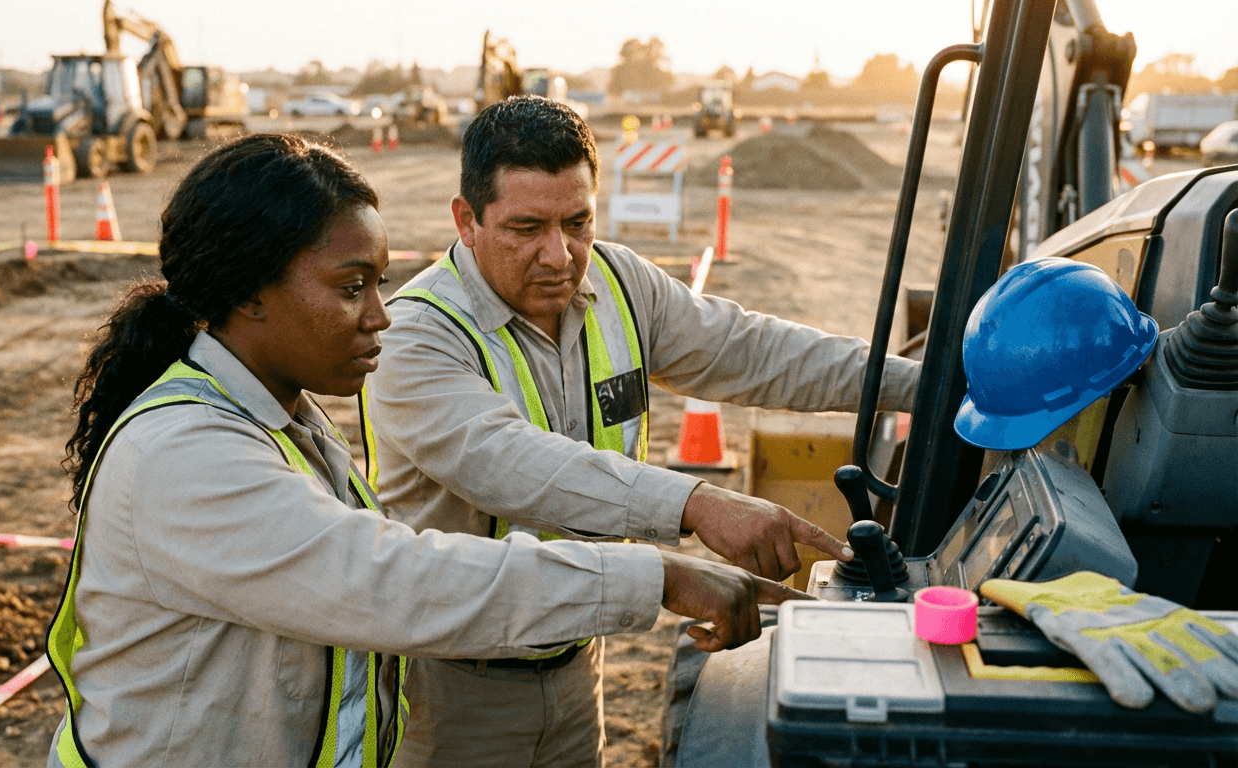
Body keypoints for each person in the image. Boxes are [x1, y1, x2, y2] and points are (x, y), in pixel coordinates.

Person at [45, 133, 805, 768]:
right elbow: (395, 580)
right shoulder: (186, 455)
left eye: (378, 283)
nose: (382, 315)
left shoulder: (289, 425)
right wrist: (657, 572)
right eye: (352, 287)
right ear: (248, 292)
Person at [365, 95, 923, 767]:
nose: (558, 254)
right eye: (525, 227)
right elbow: (516, 466)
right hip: (451, 692)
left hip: (576, 669)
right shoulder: (415, 337)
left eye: (578, 222)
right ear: (466, 220)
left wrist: (923, 384)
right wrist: (696, 503)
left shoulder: (618, 282)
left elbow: (750, 351)